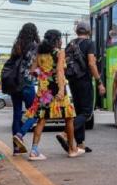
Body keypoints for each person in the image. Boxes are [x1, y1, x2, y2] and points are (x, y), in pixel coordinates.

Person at [24, 29, 82, 160]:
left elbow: (32, 71)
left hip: (44, 90)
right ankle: (72, 149)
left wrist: (44, 75)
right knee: (69, 118)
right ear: (56, 40)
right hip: (57, 88)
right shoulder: (59, 52)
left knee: (41, 119)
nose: (61, 41)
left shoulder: (39, 53)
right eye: (60, 38)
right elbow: (60, 71)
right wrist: (61, 90)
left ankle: (34, 151)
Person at [59, 21, 105, 153]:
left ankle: (80, 144)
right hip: (84, 80)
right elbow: (91, 63)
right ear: (89, 31)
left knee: (79, 112)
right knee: (86, 112)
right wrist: (99, 81)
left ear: (77, 31)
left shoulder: (70, 44)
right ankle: (65, 133)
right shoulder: (89, 43)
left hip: (72, 80)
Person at [9, 23, 39, 155]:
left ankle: (16, 148)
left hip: (14, 83)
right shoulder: (35, 46)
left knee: (16, 113)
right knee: (35, 112)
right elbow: (36, 65)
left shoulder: (17, 45)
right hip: (27, 83)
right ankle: (20, 134)